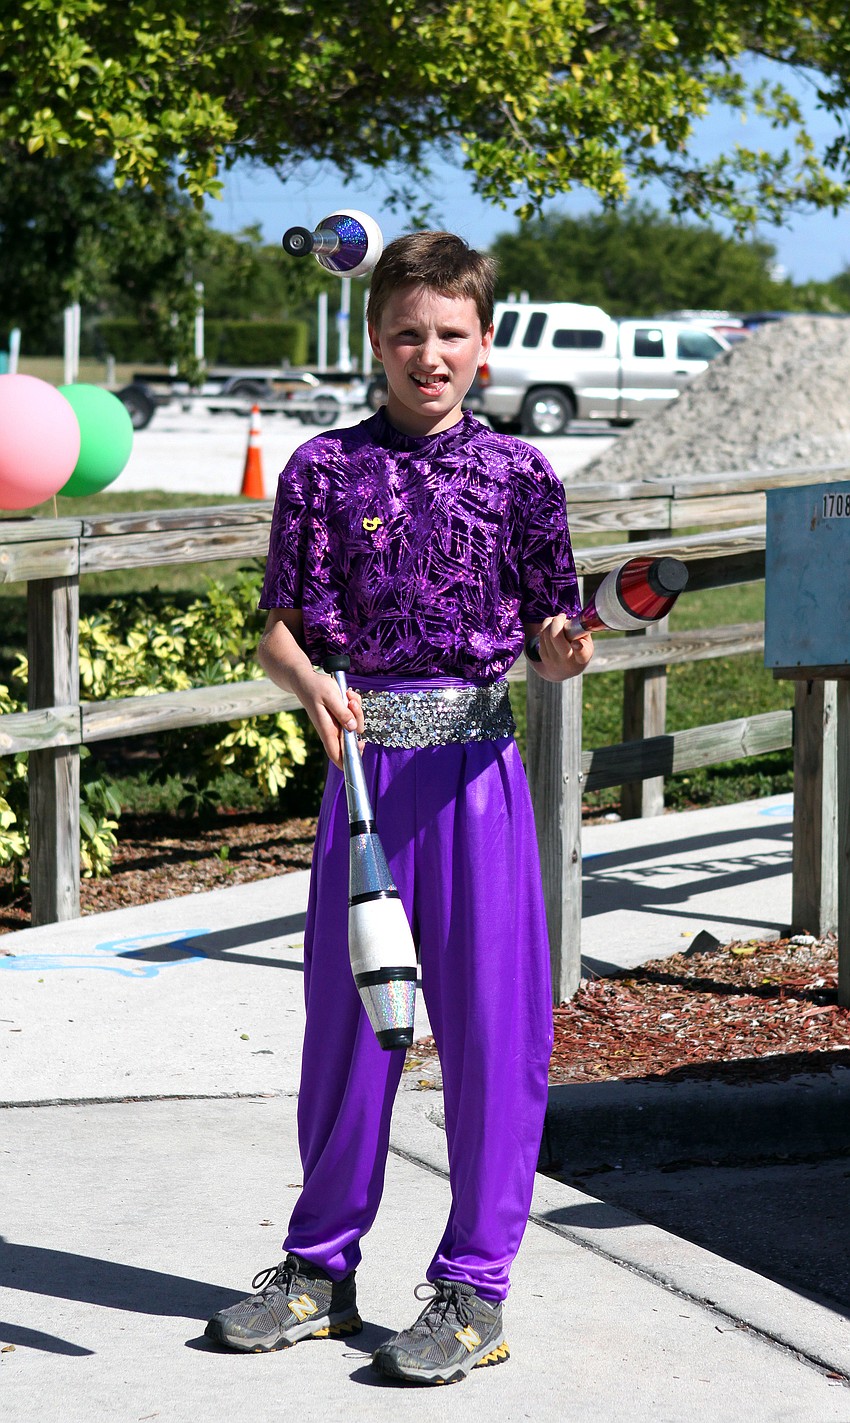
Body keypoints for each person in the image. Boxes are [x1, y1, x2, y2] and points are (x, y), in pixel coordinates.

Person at [205, 231, 593, 1384]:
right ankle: (319, 1270)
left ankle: (474, 1288)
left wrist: (565, 649)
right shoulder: (323, 471)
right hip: (368, 782)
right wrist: (312, 684)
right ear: (375, 339)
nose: (430, 354)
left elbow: (551, 636)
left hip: (478, 782)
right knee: (348, 1035)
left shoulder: (522, 476)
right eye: (407, 333)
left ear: (485, 341)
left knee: (489, 1037)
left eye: (451, 334)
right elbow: (280, 629)